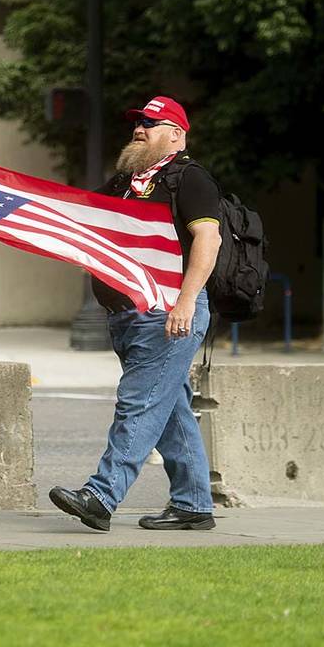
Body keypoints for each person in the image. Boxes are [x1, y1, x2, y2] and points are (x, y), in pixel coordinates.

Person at [50, 96, 222, 531]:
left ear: (176, 134)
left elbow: (208, 240)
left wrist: (186, 300)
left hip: (167, 312)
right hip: (127, 315)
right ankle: (194, 505)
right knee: (170, 409)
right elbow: (83, 214)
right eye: (137, 124)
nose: (139, 130)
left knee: (140, 404)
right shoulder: (126, 182)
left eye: (151, 123)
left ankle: (101, 497)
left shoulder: (190, 178)